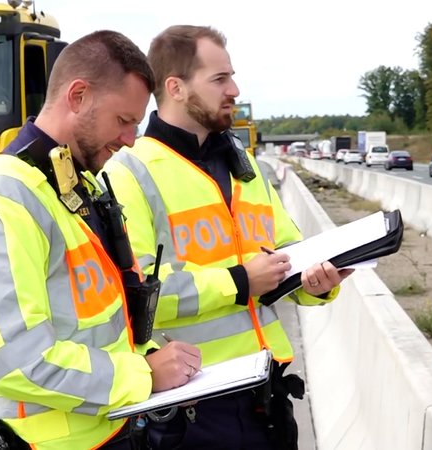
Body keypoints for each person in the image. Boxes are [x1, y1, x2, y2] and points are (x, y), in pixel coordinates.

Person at [0, 30, 201, 450]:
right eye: (123, 121)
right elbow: (14, 360)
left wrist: (152, 355)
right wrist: (144, 375)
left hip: (111, 429)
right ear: (77, 96)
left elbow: (97, 324)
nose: (131, 139)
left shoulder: (74, 187)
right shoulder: (2, 202)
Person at [101, 25, 351, 450]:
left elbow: (288, 254)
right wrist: (239, 282)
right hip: (191, 408)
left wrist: (318, 283)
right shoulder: (129, 173)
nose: (234, 89)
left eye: (231, 77)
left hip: (266, 397)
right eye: (220, 79)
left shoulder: (243, 166)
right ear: (176, 88)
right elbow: (134, 292)